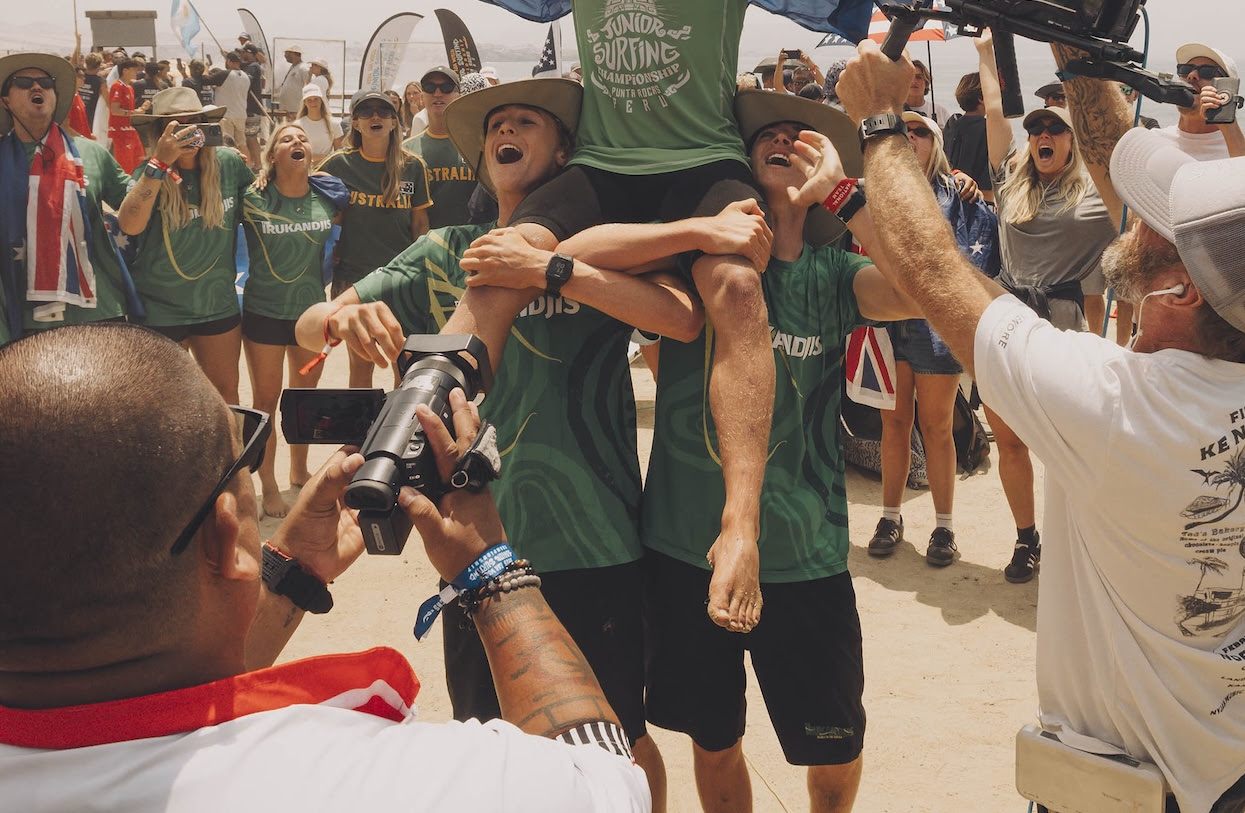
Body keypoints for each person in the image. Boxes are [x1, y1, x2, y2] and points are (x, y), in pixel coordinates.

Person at [449, 0, 982, 630]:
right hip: (604, 164)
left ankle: (739, 521)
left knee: (736, 286)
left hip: (699, 160)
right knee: (500, 259)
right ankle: (434, 422)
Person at [836, 38, 1245, 813]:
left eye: (1157, 221)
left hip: (1128, 788)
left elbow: (931, 271)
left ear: (1179, 291)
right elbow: (1123, 175)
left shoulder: (1115, 407)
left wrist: (877, 121)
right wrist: (1073, 42)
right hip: (1228, 752)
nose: (1130, 215)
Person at [0, 323, 649, 812]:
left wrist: (287, 577)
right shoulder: (380, 782)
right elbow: (604, 786)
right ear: (226, 536)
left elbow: (149, 697)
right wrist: (490, 570)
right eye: (243, 452)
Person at [297, 78, 726, 809]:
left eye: (527, 121)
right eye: (497, 123)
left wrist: (557, 270)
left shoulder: (601, 248)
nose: (507, 130)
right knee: (489, 741)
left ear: (561, 153)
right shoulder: (446, 251)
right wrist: (342, 319)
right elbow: (309, 325)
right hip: (470, 540)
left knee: (620, 739)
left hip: (594, 539)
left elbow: (682, 315)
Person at [643, 92, 917, 813]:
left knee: (836, 750)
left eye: (800, 137)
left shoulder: (834, 273)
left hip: (805, 548)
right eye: (766, 134)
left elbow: (922, 289)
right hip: (688, 543)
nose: (783, 141)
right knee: (714, 739)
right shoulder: (691, 265)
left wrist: (845, 193)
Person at [976, 29, 1116, 583]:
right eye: (1036, 129)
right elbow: (994, 115)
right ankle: (1026, 538)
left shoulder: (1097, 198)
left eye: (1055, 128)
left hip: (1063, 330)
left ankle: (1077, 542)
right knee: (1010, 441)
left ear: (1074, 139)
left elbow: (1119, 154)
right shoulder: (1012, 183)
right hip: (1008, 319)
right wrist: (986, 55)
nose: (1042, 135)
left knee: (1067, 446)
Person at [867, 104, 997, 567]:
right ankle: (890, 517)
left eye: (919, 131)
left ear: (935, 142)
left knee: (937, 426)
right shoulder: (875, 190)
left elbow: (976, 259)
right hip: (885, 323)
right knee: (893, 424)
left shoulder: (958, 194)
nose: (909, 138)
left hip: (933, 326)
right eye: (901, 131)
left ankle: (944, 528)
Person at [116, 87, 255, 404]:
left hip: (215, 304)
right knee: (163, 402)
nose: (188, 133)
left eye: (194, 123)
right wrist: (159, 165)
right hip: (159, 309)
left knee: (224, 396)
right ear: (159, 133)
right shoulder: (147, 173)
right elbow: (129, 224)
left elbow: (261, 205)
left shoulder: (229, 164)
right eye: (176, 126)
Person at [241, 122, 346, 517]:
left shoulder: (328, 199)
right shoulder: (253, 198)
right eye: (286, 139)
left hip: (311, 314)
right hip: (264, 312)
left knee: (304, 401)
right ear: (273, 154)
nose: (296, 141)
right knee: (266, 403)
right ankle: (267, 483)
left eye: (302, 138)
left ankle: (298, 471)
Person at [0, 54, 133, 341]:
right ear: (5, 102)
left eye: (45, 82)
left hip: (100, 312)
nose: (37, 87)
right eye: (23, 82)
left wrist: (161, 168)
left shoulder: (92, 153)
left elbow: (135, 207)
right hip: (25, 321)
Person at [314, 89, 431, 386]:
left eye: (383, 111)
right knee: (361, 365)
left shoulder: (413, 166)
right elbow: (300, 186)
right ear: (355, 123)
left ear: (394, 122)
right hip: (354, 278)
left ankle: (402, 418)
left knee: (403, 365)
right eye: (366, 112)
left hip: (402, 280)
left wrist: (424, 273)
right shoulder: (338, 164)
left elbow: (420, 224)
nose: (375, 116)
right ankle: (361, 420)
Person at [1159, 44, 1245, 161]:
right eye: (1185, 69)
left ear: (1228, 87)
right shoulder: (1154, 142)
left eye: (1207, 72)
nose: (1191, 75)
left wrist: (1228, 124)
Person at [404, 64, 476, 228]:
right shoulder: (406, 151)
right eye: (430, 88)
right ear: (422, 97)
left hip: (473, 241)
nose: (437, 93)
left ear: (459, 96)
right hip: (426, 241)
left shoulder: (479, 145)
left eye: (446, 87)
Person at [943, 70, 991, 202]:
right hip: (975, 200)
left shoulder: (951, 125)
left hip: (948, 196)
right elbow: (987, 177)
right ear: (981, 98)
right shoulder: (987, 129)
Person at [106, 54, 147, 173]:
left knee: (138, 160)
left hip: (131, 129)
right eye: (134, 69)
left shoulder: (129, 88)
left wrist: (141, 109)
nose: (136, 72)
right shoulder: (117, 87)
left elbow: (129, 109)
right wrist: (133, 112)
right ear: (125, 71)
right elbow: (115, 110)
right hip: (121, 131)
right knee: (126, 163)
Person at [209, 49, 254, 159]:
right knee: (242, 144)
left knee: (227, 144)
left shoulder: (225, 74)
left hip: (227, 115)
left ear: (229, 61)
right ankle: (247, 166)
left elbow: (206, 80)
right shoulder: (246, 77)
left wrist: (206, 67)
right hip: (240, 114)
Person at [292, 82, 342, 161]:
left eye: (316, 99)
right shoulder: (297, 125)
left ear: (321, 101)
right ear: (305, 102)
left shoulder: (334, 124)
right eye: (309, 100)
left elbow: (339, 153)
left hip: (327, 166)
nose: (313, 103)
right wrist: (318, 157)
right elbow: (295, 152)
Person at [277, 44, 310, 121]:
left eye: (287, 53)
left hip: (296, 108)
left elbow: (308, 85)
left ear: (293, 54)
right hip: (289, 108)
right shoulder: (293, 67)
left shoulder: (303, 68)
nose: (285, 56)